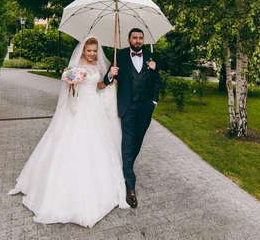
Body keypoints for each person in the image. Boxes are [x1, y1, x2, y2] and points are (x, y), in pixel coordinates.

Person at [8, 36, 129, 227]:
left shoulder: (98, 65)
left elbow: (99, 86)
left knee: (97, 145)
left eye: (95, 50)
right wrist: (72, 84)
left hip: (94, 106)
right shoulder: (75, 65)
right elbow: (69, 91)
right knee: (71, 142)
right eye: (89, 50)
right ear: (83, 50)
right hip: (78, 107)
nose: (92, 54)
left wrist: (110, 77)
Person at [104, 28, 160, 209]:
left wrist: (154, 100)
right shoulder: (119, 55)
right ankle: (130, 187)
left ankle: (126, 167)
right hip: (128, 105)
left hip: (145, 106)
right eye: (135, 38)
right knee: (127, 143)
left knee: (138, 140)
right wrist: (110, 74)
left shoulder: (151, 55)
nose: (138, 40)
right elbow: (109, 79)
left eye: (140, 38)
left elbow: (156, 79)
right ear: (128, 39)